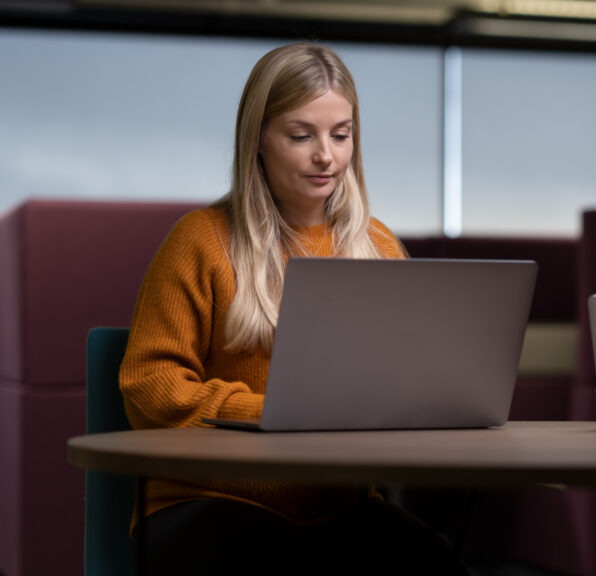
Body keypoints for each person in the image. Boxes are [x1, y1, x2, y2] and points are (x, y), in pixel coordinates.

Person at [119, 42, 464, 575]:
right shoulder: (201, 241)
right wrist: (272, 415)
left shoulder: (378, 247)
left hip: (337, 508)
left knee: (436, 564)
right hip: (206, 502)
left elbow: (402, 385)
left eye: (341, 135)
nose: (326, 155)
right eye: (302, 135)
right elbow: (148, 386)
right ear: (258, 138)